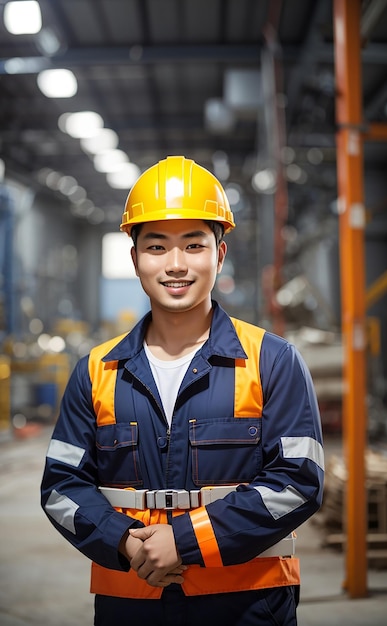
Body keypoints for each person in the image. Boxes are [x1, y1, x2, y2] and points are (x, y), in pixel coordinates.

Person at [41, 155, 324, 626]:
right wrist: (124, 540)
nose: (175, 265)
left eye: (193, 245)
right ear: (135, 259)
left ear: (219, 254)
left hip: (247, 607)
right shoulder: (96, 370)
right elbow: (61, 488)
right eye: (157, 247)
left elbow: (299, 481)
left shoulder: (271, 361)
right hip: (132, 603)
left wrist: (185, 542)